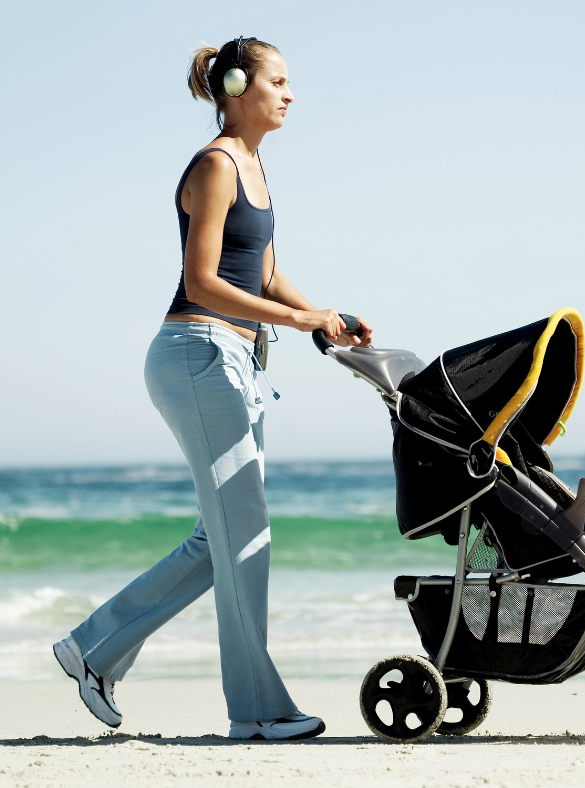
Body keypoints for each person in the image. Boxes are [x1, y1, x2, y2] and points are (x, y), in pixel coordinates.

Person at [52, 37, 371, 741]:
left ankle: (94, 649)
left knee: (220, 538)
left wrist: (328, 317)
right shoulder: (216, 165)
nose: (290, 94)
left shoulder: (255, 168)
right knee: (244, 538)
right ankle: (257, 711)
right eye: (278, 81)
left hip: (233, 359)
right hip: (197, 353)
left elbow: (262, 273)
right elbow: (203, 281)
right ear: (235, 85)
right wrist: (299, 318)